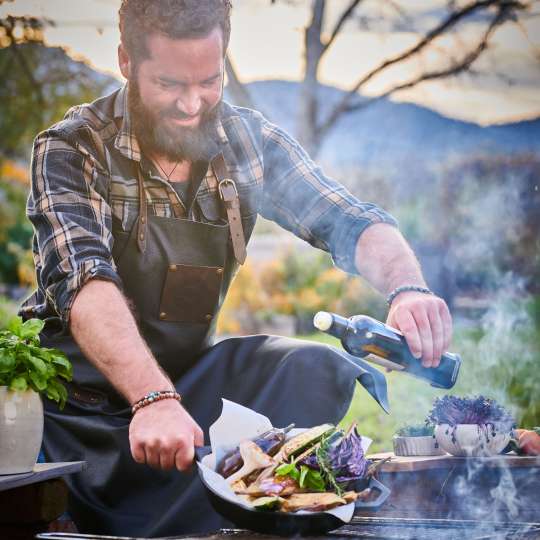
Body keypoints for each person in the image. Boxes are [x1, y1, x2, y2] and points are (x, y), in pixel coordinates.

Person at [20, 0, 452, 536]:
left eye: (210, 79)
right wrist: (152, 399)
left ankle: (242, 505)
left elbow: (349, 218)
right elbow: (86, 282)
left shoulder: (247, 140)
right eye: (171, 84)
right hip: (83, 416)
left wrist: (407, 288)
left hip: (187, 392)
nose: (193, 103)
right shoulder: (71, 147)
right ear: (126, 61)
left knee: (311, 367)